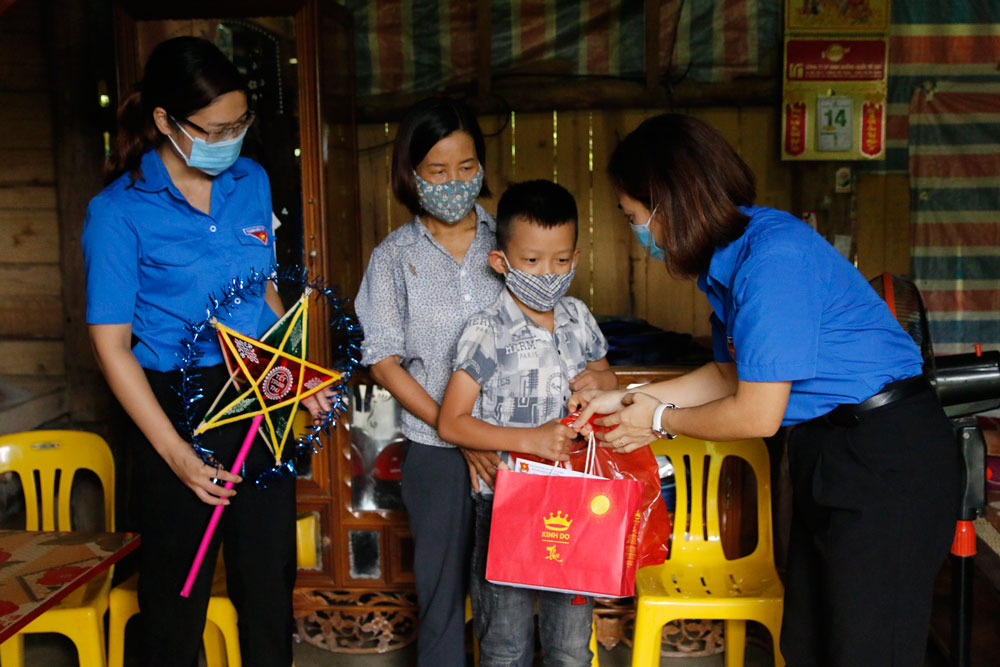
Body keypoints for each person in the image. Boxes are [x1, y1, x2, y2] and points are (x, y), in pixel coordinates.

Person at [570, 113, 960, 667]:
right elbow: (735, 374)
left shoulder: (772, 258)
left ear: (669, 204)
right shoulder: (726, 265)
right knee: (807, 640)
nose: (637, 233)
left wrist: (657, 421)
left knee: (868, 650)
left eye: (634, 217)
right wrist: (630, 396)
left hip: (887, 456)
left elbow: (756, 414)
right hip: (831, 452)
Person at [83, 37, 318, 666]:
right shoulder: (117, 213)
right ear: (164, 120)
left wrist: (298, 375)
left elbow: (263, 294)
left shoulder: (251, 180)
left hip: (255, 390)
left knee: (268, 588)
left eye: (240, 124)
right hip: (172, 406)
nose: (231, 139)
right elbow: (112, 347)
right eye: (215, 128)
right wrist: (179, 458)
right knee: (175, 602)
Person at [438, 179, 618, 666]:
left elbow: (605, 378)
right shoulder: (486, 329)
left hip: (575, 501)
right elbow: (452, 422)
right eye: (532, 261)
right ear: (501, 262)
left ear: (576, 257)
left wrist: (598, 385)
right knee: (505, 646)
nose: (548, 273)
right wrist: (531, 440)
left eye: (561, 261)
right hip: (506, 503)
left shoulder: (579, 318)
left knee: (570, 647)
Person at [353, 96, 504, 665]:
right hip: (436, 452)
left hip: (513, 444)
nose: (454, 182)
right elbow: (385, 361)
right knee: (441, 600)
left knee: (507, 597)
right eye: (437, 171)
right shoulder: (394, 257)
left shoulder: (508, 246)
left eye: (467, 168)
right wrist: (458, 431)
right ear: (411, 175)